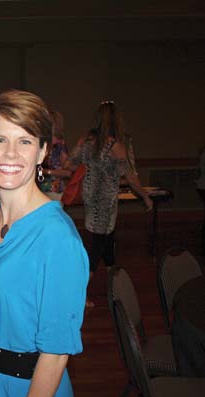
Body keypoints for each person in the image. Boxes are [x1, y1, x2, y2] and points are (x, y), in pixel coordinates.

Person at [0, 89, 89, 397]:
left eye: (25, 141)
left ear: (42, 151)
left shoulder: (57, 239)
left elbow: (56, 352)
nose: (10, 153)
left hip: (28, 392)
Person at [67, 100, 153, 307]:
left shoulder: (87, 142)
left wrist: (85, 156)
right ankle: (78, 294)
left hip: (91, 199)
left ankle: (114, 285)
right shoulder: (117, 146)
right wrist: (145, 196)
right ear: (116, 121)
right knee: (97, 246)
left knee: (106, 240)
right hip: (104, 201)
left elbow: (69, 164)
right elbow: (131, 177)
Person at [39, 110, 71, 201]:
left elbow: (68, 172)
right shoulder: (41, 143)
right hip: (38, 190)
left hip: (55, 191)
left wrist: (47, 172)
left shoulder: (59, 145)